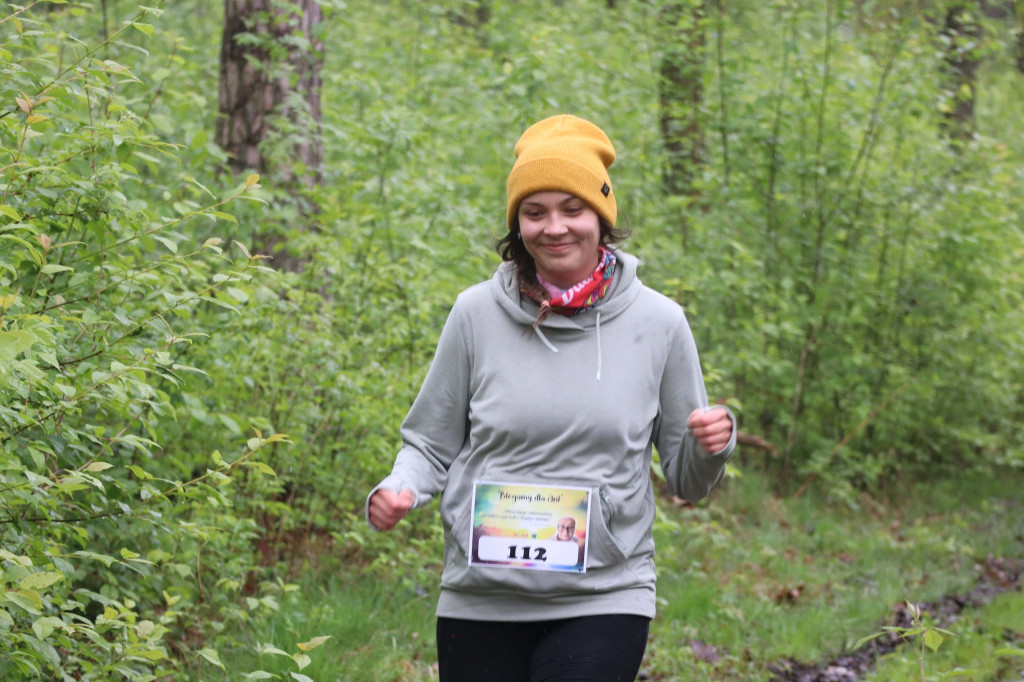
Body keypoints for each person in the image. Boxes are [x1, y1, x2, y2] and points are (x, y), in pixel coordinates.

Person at [367, 114, 736, 682]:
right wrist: (399, 487)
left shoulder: (659, 323)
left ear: (602, 218)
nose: (554, 228)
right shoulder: (474, 315)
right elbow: (429, 444)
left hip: (605, 593)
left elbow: (687, 481)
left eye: (573, 209)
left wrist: (713, 444)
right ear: (518, 227)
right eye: (534, 213)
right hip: (481, 595)